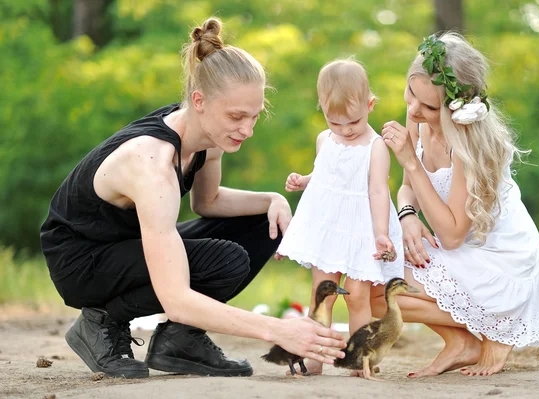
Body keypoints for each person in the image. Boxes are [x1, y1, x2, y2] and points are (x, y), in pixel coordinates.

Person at [39, 17, 345, 379]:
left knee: (264, 225)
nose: (246, 130)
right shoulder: (152, 164)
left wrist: (271, 200)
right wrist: (280, 329)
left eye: (254, 117)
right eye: (236, 116)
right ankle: (101, 321)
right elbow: (176, 298)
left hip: (122, 245)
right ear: (199, 101)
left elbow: (208, 202)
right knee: (224, 260)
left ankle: (179, 342)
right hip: (80, 262)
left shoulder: (208, 136)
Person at [374, 32, 539, 377]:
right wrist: (407, 216)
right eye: (411, 95)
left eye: (429, 106)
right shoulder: (417, 118)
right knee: (375, 286)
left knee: (386, 288)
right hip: (458, 248)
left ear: (456, 106)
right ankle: (462, 343)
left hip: (496, 257)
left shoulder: (471, 145)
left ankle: (499, 329)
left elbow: (450, 235)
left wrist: (410, 162)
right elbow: (407, 190)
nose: (413, 110)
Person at [276, 58, 405, 375]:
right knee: (322, 296)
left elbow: (377, 191)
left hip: (362, 229)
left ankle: (360, 358)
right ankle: (315, 356)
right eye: (336, 123)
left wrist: (380, 233)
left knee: (357, 296)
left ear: (370, 104)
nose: (345, 130)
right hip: (328, 226)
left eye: (353, 122)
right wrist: (305, 180)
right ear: (323, 110)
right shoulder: (325, 139)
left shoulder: (375, 148)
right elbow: (326, 176)